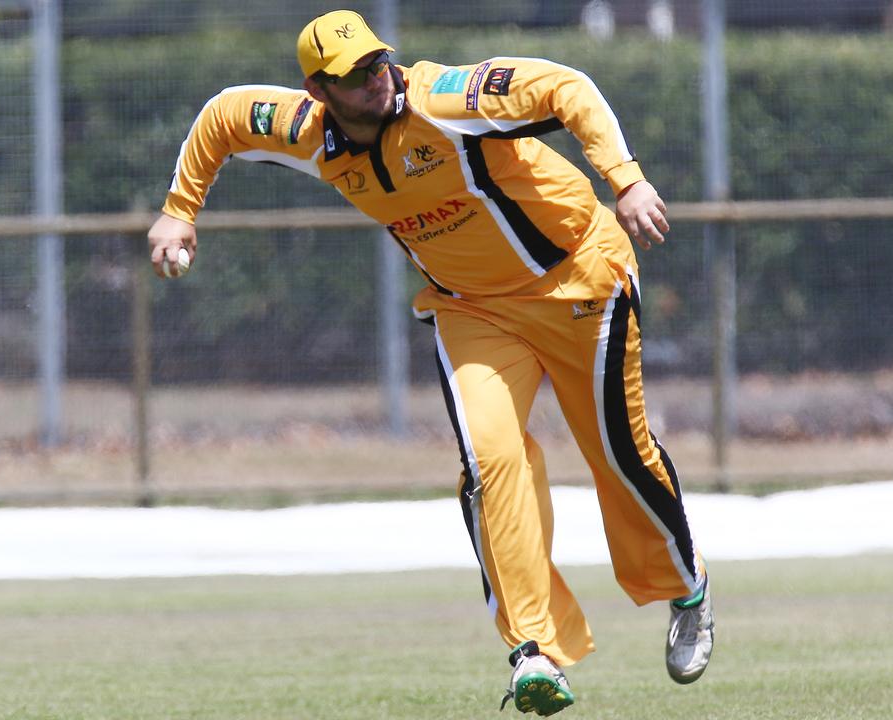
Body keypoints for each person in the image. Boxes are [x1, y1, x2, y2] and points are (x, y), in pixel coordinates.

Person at [147, 9, 712, 716]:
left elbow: (565, 87)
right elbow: (224, 116)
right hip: (472, 309)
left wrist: (625, 180)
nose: (376, 80)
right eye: (353, 77)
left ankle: (684, 591)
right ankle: (534, 650)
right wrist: (179, 209)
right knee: (490, 461)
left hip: (579, 280)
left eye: (378, 62)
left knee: (617, 455)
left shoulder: (449, 98)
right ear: (319, 92)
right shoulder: (305, 132)